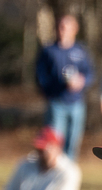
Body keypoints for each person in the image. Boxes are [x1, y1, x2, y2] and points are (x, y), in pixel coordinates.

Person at [36, 15, 93, 161]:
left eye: (67, 28)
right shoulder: (49, 51)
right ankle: (54, 169)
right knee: (54, 142)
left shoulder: (81, 51)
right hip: (56, 103)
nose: (63, 31)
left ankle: (69, 170)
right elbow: (40, 77)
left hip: (77, 103)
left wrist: (81, 81)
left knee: (72, 142)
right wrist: (54, 89)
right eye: (61, 27)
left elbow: (90, 73)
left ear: (75, 29)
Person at [3, 127, 81, 190]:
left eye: (44, 150)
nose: (40, 154)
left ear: (56, 148)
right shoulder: (25, 165)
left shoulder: (69, 172)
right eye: (38, 150)